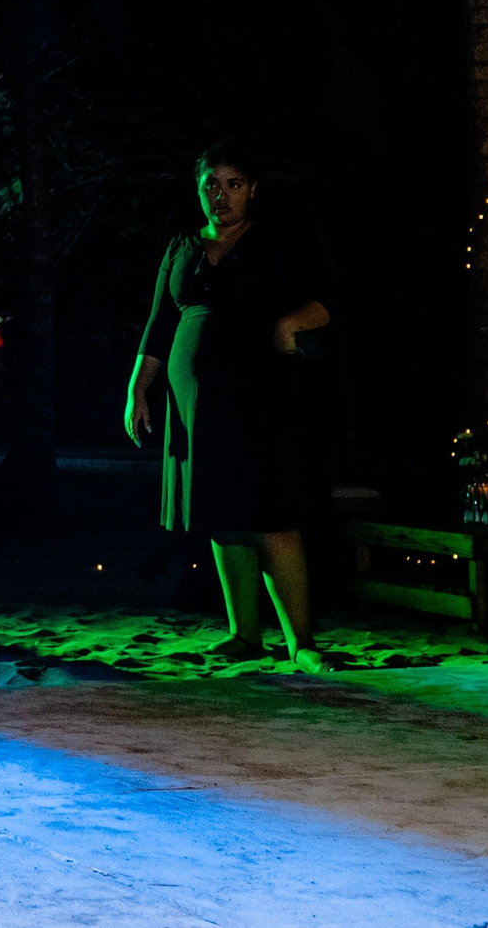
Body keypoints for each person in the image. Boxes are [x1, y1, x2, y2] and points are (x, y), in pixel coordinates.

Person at [124, 145, 333, 670]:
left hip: (261, 395)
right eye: (211, 185)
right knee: (223, 513)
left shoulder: (279, 241)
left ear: (253, 189)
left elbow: (326, 300)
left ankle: (301, 641)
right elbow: (158, 324)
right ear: (199, 191)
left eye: (233, 183)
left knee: (272, 512)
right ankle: (245, 634)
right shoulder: (182, 246)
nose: (221, 195)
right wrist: (137, 390)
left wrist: (289, 326)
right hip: (195, 402)